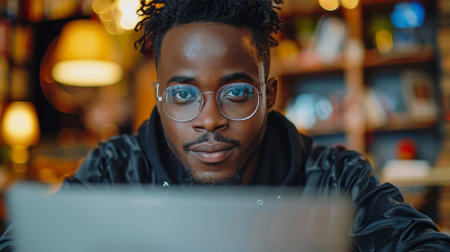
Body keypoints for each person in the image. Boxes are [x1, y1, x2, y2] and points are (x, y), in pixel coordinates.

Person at [1, 0, 450, 251]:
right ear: (159, 98)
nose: (210, 120)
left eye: (235, 92)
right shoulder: (115, 169)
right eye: (182, 95)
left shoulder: (335, 178)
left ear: (269, 94)